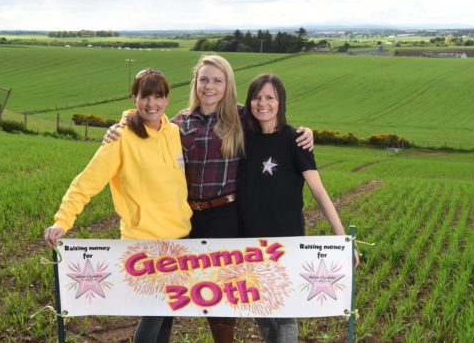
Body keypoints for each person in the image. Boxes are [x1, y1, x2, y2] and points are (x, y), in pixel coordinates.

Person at [103, 54, 314, 343]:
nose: (209, 86)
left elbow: (273, 124)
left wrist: (305, 133)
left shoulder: (242, 118)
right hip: (186, 219)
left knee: (222, 292)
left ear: (227, 85)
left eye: (217, 80)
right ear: (195, 83)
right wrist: (121, 123)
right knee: (171, 291)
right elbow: (148, 122)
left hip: (226, 216)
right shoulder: (179, 123)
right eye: (204, 79)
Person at [44, 69, 192, 343]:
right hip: (144, 241)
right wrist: (62, 221)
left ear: (167, 99)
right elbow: (86, 182)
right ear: (134, 98)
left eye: (158, 97)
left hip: (179, 238)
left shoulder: (173, 132)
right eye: (144, 96)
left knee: (169, 310)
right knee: (155, 311)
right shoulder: (120, 138)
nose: (151, 104)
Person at [238, 73, 360, 343]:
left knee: (285, 314)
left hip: (286, 242)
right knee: (261, 311)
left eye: (270, 97)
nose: (263, 103)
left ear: (281, 102)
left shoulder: (296, 140)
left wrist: (343, 238)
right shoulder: (242, 136)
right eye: (257, 97)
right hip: (249, 243)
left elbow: (318, 191)